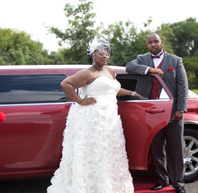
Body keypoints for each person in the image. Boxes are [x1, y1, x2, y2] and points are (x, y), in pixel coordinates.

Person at [48, 38, 140, 193]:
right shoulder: (87, 73)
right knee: (93, 152)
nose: (105, 56)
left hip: (110, 118)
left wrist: (133, 93)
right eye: (101, 53)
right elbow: (66, 84)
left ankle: (108, 186)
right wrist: (80, 101)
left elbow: (114, 90)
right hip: (93, 119)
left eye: (107, 54)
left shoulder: (109, 71)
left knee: (108, 152)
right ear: (93, 55)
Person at [125, 32, 189, 193]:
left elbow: (182, 87)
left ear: (161, 42)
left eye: (155, 42)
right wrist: (150, 69)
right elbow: (129, 67)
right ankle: (162, 180)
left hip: (173, 112)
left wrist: (180, 109)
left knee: (175, 150)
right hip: (152, 114)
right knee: (157, 149)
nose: (152, 45)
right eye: (149, 43)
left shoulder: (175, 61)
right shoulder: (141, 59)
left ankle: (178, 183)